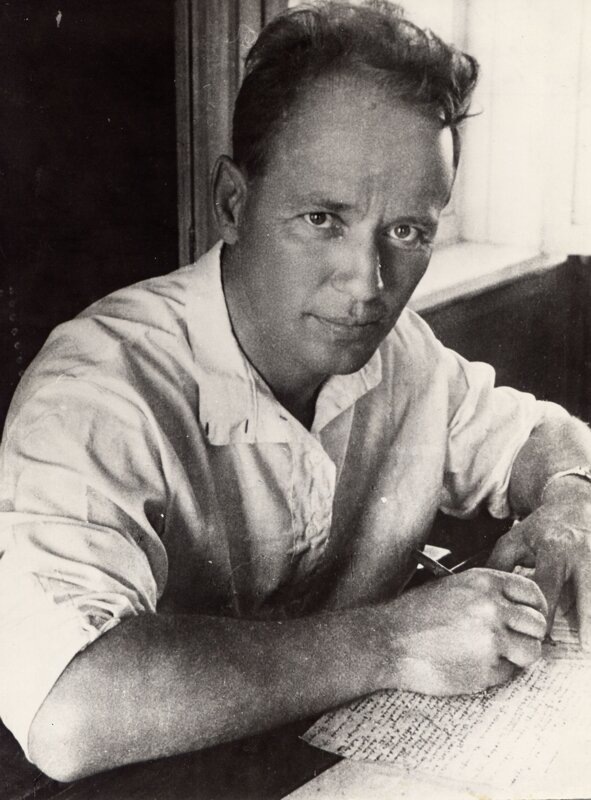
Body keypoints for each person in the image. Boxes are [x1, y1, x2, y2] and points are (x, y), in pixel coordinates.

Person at [1, 0, 591, 783]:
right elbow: (68, 709)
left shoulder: (402, 353)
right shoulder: (100, 386)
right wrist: (391, 642)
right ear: (232, 204)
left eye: (406, 231)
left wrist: (568, 503)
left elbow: (538, 438)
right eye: (322, 219)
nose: (368, 285)